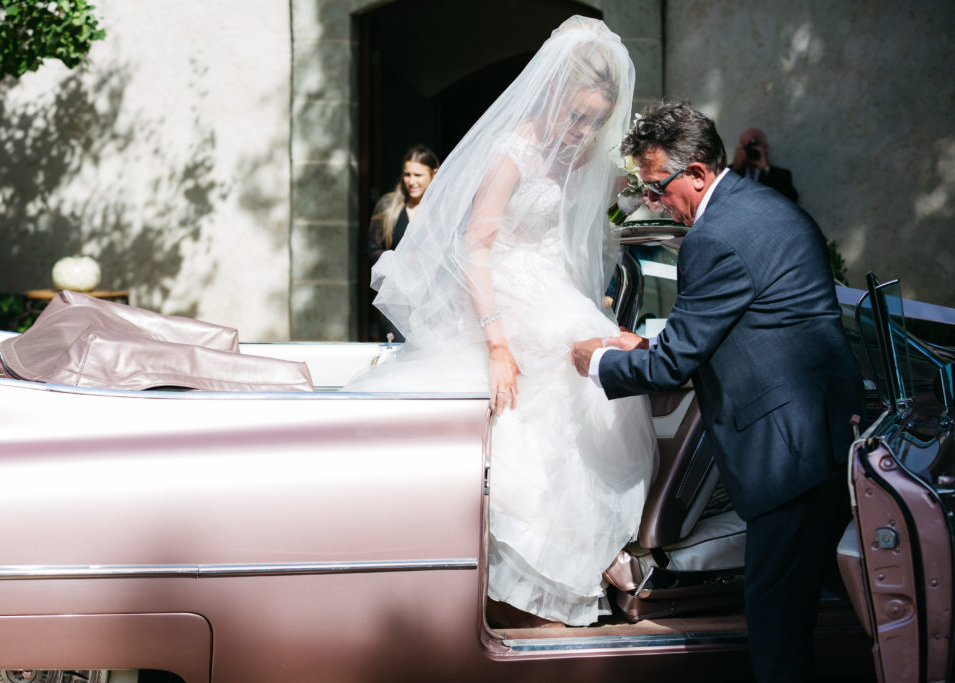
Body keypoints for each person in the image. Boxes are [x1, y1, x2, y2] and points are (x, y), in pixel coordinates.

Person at [345, 16, 658, 627]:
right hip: (506, 303)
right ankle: (539, 575)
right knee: (527, 432)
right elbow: (474, 246)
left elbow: (602, 213)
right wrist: (496, 343)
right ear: (554, 95)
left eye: (596, 121)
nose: (584, 131)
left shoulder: (583, 155)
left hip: (556, 296)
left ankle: (591, 556)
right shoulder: (515, 148)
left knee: (600, 401)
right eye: (577, 117)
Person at [571, 100, 864, 681]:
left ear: (698, 173)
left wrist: (596, 361)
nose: (654, 203)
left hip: (786, 457)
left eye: (656, 189)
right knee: (809, 618)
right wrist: (647, 348)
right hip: (825, 438)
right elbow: (749, 328)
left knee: (778, 635)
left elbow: (671, 367)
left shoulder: (714, 239)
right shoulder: (767, 208)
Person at [367, 145, 440, 341]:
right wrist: (400, 260)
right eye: (407, 174)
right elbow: (373, 251)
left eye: (418, 175)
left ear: (434, 174)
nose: (411, 181)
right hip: (398, 299)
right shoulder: (388, 206)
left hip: (432, 298)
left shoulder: (441, 209)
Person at [729, 127, 798, 202]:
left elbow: (790, 200)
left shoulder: (781, 175)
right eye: (746, 148)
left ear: (765, 148)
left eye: (753, 147)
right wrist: (736, 167)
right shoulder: (729, 172)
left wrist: (766, 169)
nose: (749, 151)